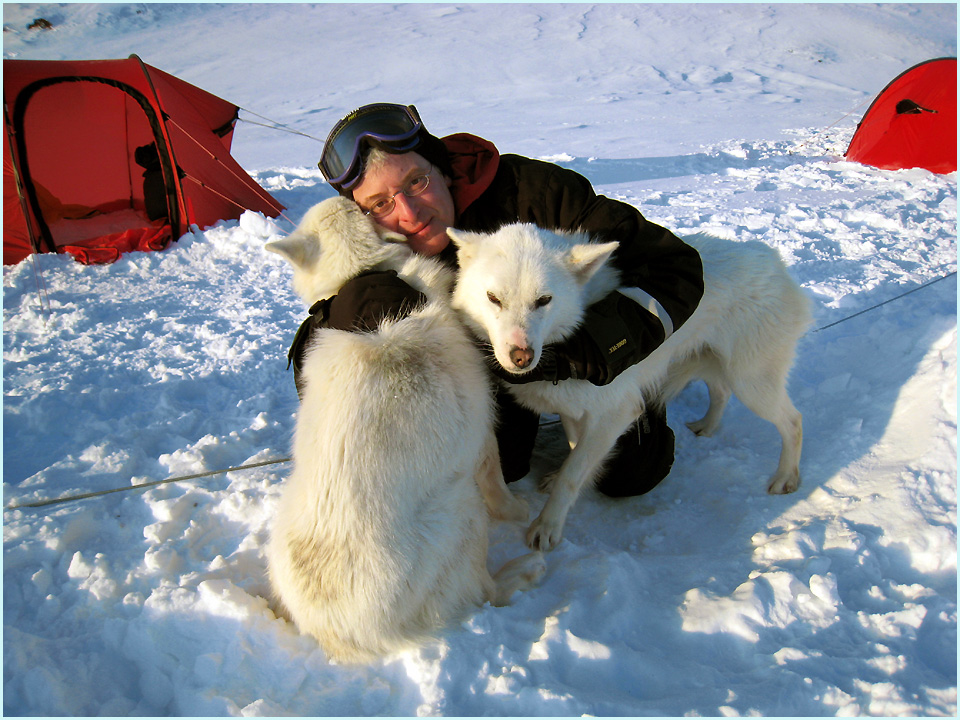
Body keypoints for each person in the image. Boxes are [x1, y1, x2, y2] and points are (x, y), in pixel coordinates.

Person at [287, 103, 704, 497]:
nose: (409, 213)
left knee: (630, 472)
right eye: (381, 203)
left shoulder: (535, 196)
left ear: (442, 167)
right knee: (497, 466)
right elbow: (321, 333)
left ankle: (625, 398)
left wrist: (587, 352)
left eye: (416, 181)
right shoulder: (373, 245)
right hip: (486, 364)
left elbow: (673, 270)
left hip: (577, 347)